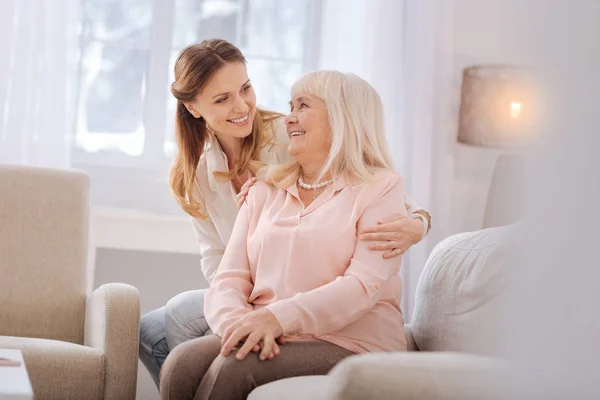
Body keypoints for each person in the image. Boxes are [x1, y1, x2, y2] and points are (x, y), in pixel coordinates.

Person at [139, 39, 432, 388]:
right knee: (166, 347)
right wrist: (245, 319)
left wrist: (419, 222)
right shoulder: (220, 179)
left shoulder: (291, 133)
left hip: (326, 318)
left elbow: (374, 181)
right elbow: (220, 263)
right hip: (261, 292)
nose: (242, 105)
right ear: (194, 108)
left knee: (191, 326)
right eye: (222, 99)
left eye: (245, 88)